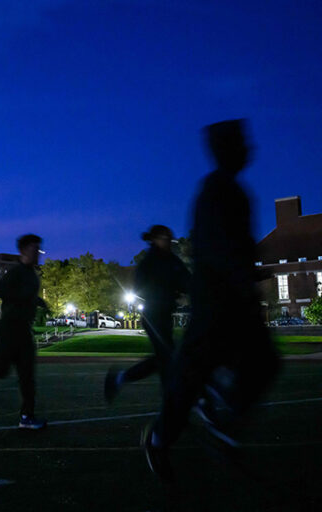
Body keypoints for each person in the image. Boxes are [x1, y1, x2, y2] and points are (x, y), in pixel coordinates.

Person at [143, 120, 280, 480]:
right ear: (230, 150)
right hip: (215, 304)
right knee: (189, 377)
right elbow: (217, 252)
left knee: (262, 363)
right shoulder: (218, 192)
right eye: (243, 144)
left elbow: (232, 250)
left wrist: (251, 277)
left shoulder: (232, 191)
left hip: (231, 300)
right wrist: (244, 282)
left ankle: (223, 413)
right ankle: (160, 438)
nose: (250, 149)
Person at [104, 225, 189, 402]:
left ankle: (170, 404)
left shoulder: (172, 260)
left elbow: (187, 281)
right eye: (165, 238)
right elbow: (140, 288)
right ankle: (122, 378)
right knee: (166, 357)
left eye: (169, 238)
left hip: (164, 315)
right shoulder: (150, 262)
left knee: (166, 359)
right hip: (153, 316)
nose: (168, 241)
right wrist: (169, 292)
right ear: (155, 239)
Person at [0, 234, 49, 430]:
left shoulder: (33, 274)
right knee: (0, 370)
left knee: (27, 375)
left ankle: (27, 416)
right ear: (24, 251)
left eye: (38, 250)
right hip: (9, 329)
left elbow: (29, 296)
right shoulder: (16, 272)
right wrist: (22, 297)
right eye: (34, 250)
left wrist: (39, 302)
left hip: (23, 330)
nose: (37, 254)